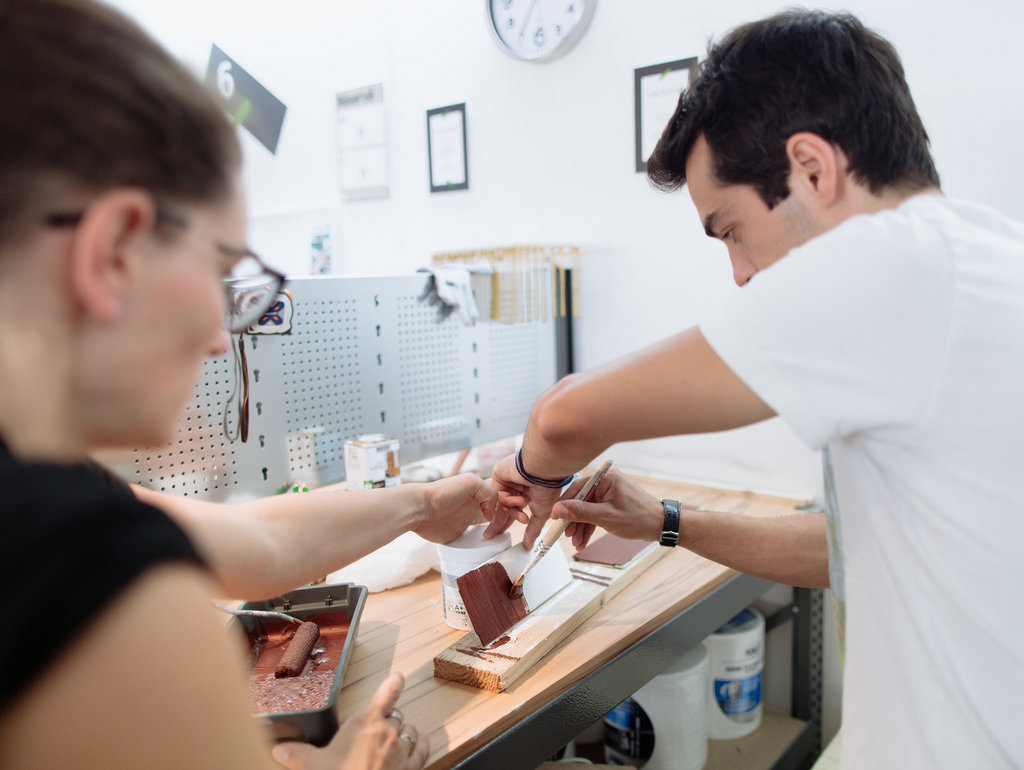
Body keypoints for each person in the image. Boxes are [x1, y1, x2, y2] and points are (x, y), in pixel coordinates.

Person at [488, 9, 1024, 768]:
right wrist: (667, 519)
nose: (739, 272)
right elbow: (850, 550)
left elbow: (564, 415)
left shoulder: (891, 266)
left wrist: (530, 476)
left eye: (731, 228)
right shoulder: (981, 254)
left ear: (812, 169)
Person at [0, 1, 497, 768]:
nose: (215, 337)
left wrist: (423, 504)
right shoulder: (82, 571)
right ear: (113, 252)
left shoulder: (52, 489)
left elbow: (249, 543)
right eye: (224, 271)